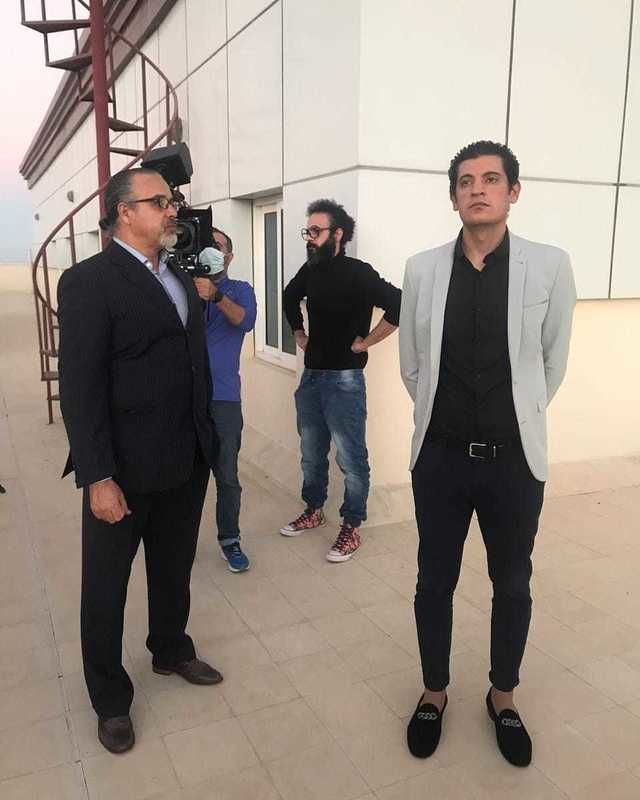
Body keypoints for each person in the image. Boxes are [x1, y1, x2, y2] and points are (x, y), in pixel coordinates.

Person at [399, 141, 576, 766]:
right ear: (453, 198)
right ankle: (434, 692)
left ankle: (503, 696)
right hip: (440, 459)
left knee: (513, 583)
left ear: (513, 192)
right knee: (433, 581)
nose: (478, 189)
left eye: (492, 179)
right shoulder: (422, 270)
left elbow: (551, 363)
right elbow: (413, 366)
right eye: (466, 181)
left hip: (513, 462)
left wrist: (513, 420)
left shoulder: (549, 266)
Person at [57, 167, 223, 755]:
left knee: (174, 569)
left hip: (185, 458)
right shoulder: (88, 282)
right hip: (122, 471)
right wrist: (98, 476)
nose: (173, 209)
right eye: (160, 201)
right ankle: (109, 697)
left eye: (173, 200)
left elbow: (192, 362)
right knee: (106, 588)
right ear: (125, 212)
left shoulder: (179, 275)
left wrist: (208, 443)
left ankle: (170, 649)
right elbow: (80, 389)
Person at [282, 199, 401, 562]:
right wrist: (298, 332)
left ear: (337, 234)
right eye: (307, 231)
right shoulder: (310, 271)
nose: (310, 237)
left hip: (345, 381)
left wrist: (367, 342)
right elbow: (289, 296)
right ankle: (314, 510)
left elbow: (398, 303)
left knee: (351, 457)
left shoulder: (358, 272)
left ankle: (351, 525)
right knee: (311, 453)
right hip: (312, 378)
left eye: (315, 231)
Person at [193, 227, 256, 572]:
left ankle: (230, 539)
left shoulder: (240, 290)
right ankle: (176, 541)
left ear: (229, 256)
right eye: (207, 245)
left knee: (227, 476)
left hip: (224, 399)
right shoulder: (182, 288)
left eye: (218, 247)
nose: (211, 251)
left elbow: (245, 321)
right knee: (182, 477)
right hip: (185, 398)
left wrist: (215, 295)